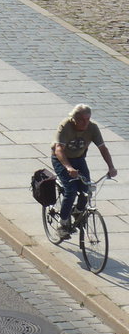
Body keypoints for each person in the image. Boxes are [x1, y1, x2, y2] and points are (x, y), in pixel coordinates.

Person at [51, 103, 116, 240]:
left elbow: (103, 148)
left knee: (87, 189)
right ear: (74, 118)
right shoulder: (65, 126)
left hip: (79, 159)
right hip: (62, 160)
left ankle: (77, 211)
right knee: (71, 190)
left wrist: (111, 167)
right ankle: (62, 224)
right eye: (82, 120)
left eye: (88, 119)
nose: (86, 123)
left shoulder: (92, 128)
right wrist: (68, 167)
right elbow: (58, 150)